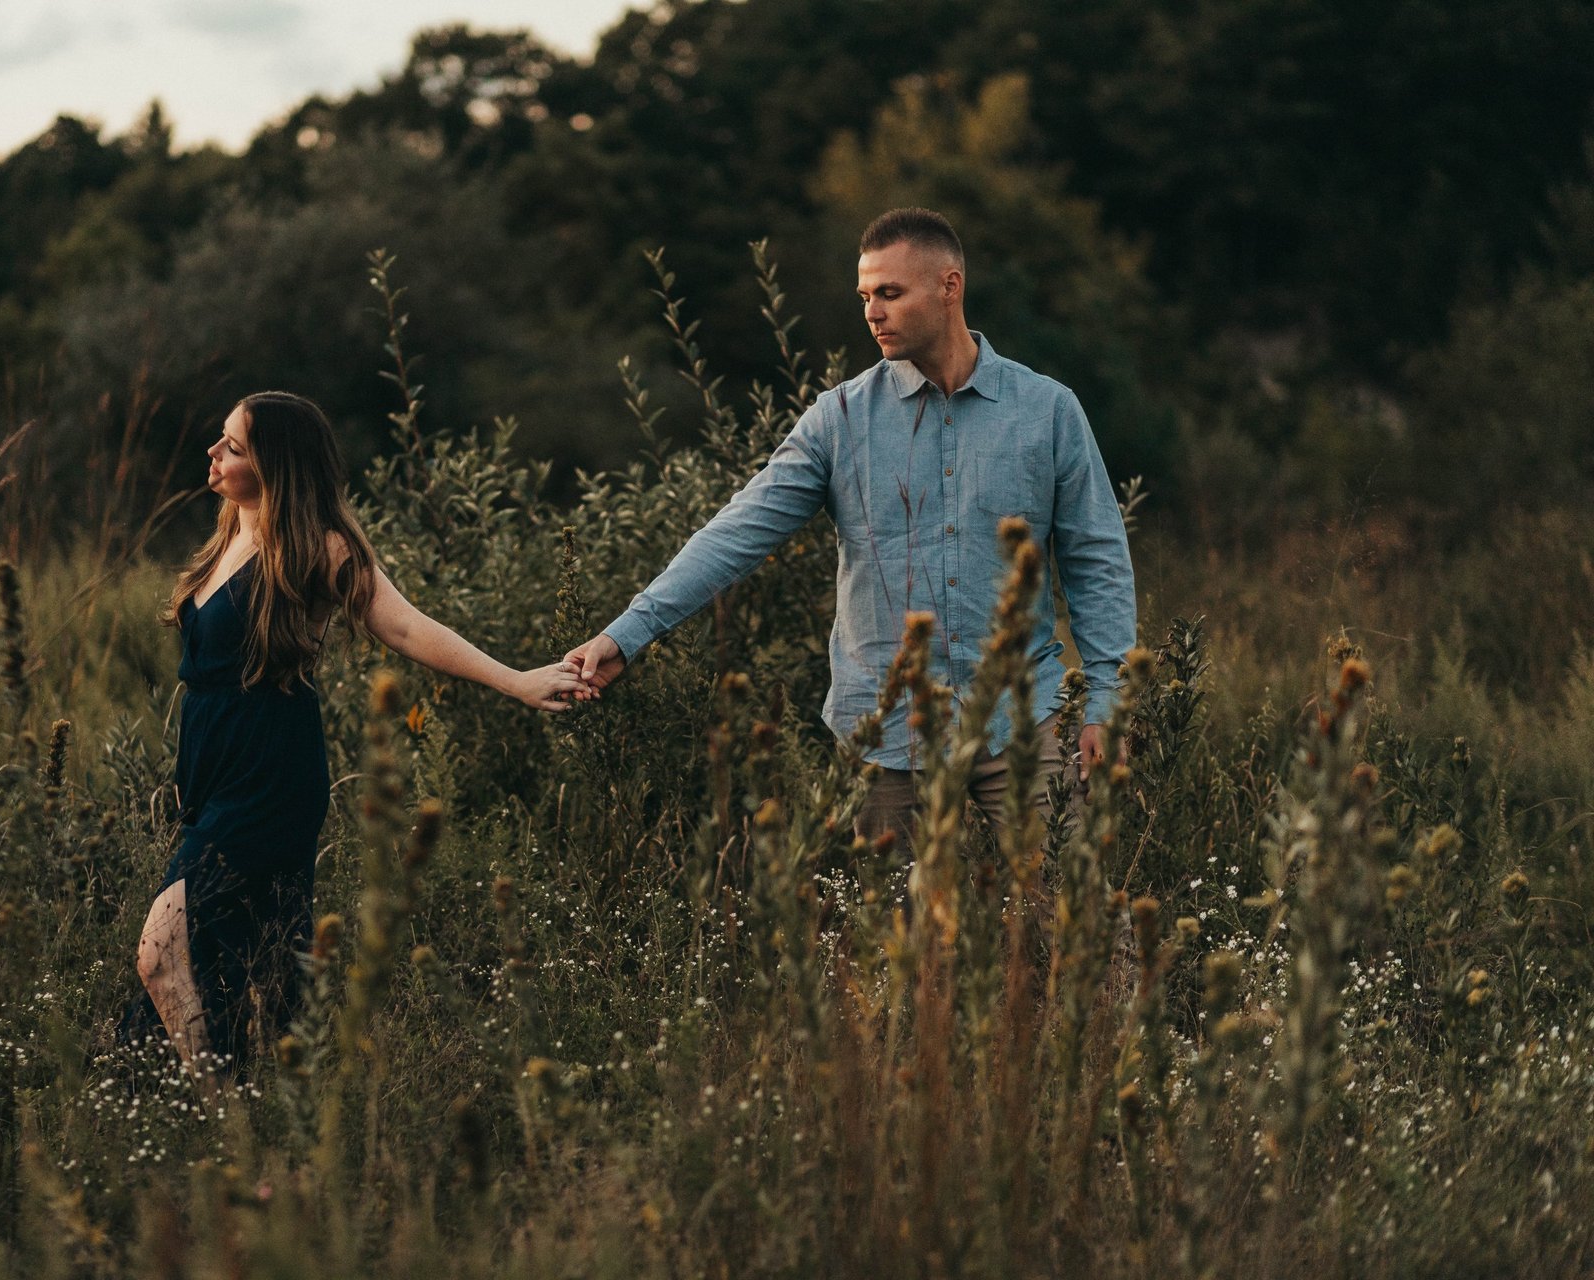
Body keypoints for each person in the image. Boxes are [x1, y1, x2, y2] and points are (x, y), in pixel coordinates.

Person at [566, 207, 1136, 864]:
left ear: (949, 286)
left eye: (890, 293)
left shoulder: (1047, 411)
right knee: (897, 949)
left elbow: (1098, 560)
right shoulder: (837, 420)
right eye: (865, 296)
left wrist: (1107, 699)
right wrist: (625, 634)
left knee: (1080, 921)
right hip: (887, 737)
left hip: (1024, 720)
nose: (872, 312)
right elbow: (734, 535)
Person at [127, 390, 587, 1084]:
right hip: (212, 762)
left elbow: (403, 626)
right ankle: (261, 1105)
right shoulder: (232, 529)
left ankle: (219, 1120)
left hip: (269, 770)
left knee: (161, 950)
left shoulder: (318, 546)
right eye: (220, 439)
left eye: (234, 446)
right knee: (240, 955)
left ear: (276, 466)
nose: (214, 453)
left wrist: (515, 680)